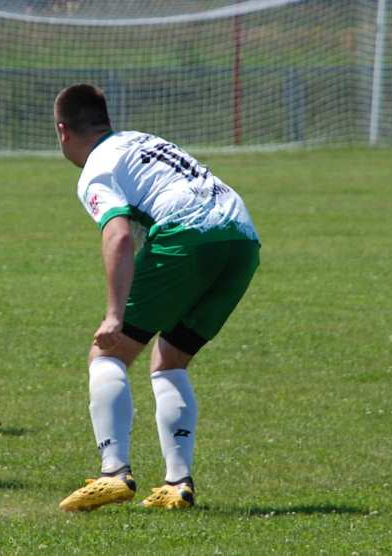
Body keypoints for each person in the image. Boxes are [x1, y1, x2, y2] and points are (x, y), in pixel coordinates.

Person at [53, 84, 260, 511]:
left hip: (189, 233)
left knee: (107, 353)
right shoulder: (141, 141)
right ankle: (177, 485)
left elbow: (119, 234)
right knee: (169, 358)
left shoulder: (96, 168)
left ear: (63, 131)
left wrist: (114, 315)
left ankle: (113, 473)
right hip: (242, 237)